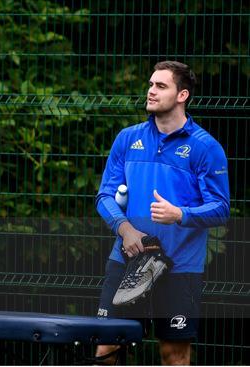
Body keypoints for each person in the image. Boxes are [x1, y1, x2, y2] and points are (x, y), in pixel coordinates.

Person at [95, 61, 230, 365]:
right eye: (151, 84)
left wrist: (179, 214)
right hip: (127, 263)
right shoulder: (128, 139)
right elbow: (105, 195)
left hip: (180, 268)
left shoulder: (205, 148)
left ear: (182, 95)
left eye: (161, 86)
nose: (151, 91)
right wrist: (124, 228)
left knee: (174, 355)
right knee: (106, 350)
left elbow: (221, 208)